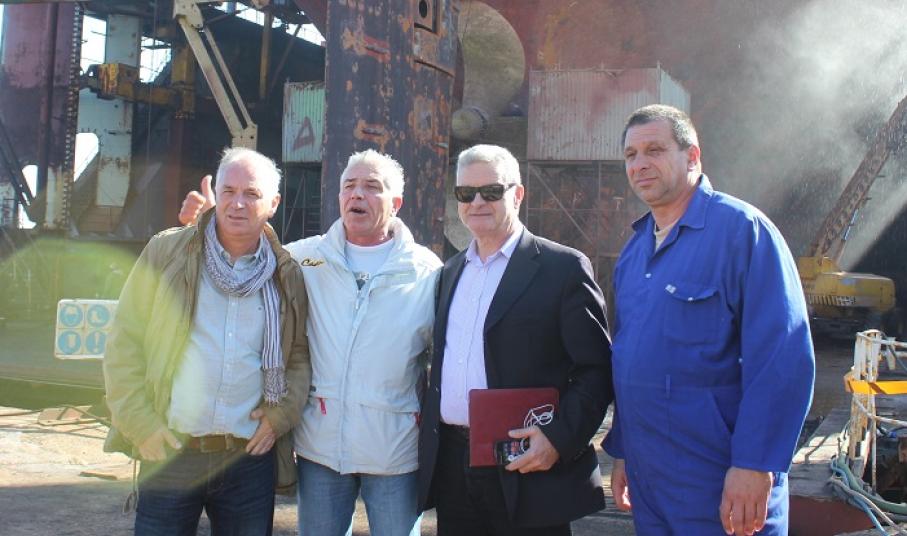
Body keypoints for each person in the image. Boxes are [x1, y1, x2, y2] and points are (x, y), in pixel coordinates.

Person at [180, 149, 440, 536]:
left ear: (396, 203)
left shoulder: (426, 271)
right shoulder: (302, 258)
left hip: (394, 450)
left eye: (372, 187)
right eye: (349, 186)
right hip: (320, 449)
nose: (357, 194)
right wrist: (202, 226)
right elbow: (238, 256)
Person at [603, 104, 816, 536]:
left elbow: (782, 359)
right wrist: (623, 451)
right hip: (651, 481)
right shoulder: (635, 252)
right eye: (630, 155)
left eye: (654, 150)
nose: (640, 164)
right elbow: (630, 361)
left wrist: (755, 464)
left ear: (692, 157)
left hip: (718, 479)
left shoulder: (743, 232)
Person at [103, 147, 311, 535]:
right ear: (216, 192)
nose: (237, 203)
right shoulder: (167, 252)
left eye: (251, 193)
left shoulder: (285, 274)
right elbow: (124, 341)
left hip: (247, 460)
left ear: (273, 204)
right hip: (171, 452)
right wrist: (140, 424)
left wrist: (280, 416)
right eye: (228, 191)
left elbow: (297, 355)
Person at [417, 144, 614, 535]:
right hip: (454, 466)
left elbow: (596, 369)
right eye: (465, 193)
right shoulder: (450, 272)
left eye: (491, 191)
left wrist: (558, 439)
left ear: (518, 194)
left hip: (528, 465)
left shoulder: (562, 268)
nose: (477, 202)